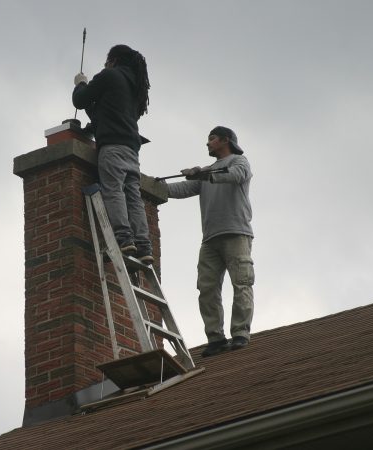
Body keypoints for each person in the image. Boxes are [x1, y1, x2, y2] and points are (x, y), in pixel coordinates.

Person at [166, 126, 254, 357]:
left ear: (225, 140)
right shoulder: (206, 173)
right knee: (207, 288)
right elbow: (184, 188)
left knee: (241, 283)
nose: (208, 143)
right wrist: (150, 186)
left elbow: (236, 176)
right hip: (210, 239)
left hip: (236, 233)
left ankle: (240, 334)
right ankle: (215, 338)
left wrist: (204, 174)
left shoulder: (239, 161)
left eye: (212, 139)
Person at [72, 44, 153, 264]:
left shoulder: (110, 75)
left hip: (112, 146)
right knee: (133, 196)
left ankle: (124, 237)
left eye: (107, 61)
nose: (105, 64)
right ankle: (144, 245)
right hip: (132, 150)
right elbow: (104, 111)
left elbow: (80, 101)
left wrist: (80, 83)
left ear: (114, 60)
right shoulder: (135, 87)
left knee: (113, 189)